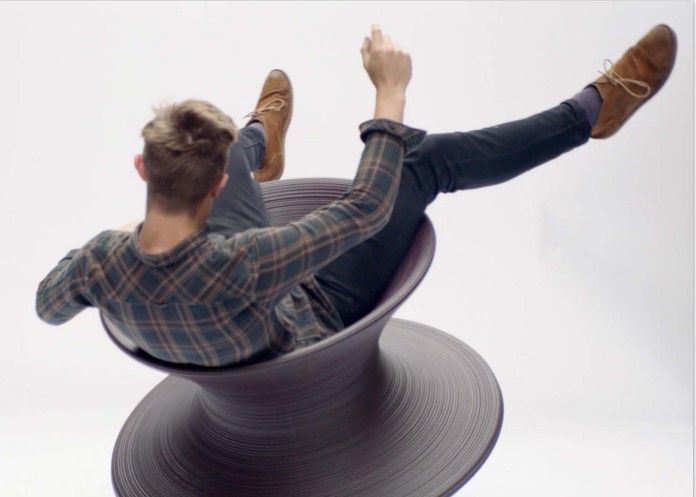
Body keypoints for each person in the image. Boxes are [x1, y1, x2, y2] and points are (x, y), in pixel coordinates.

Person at [36, 24, 677, 367]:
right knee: (424, 161)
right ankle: (589, 115)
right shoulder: (249, 260)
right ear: (218, 189)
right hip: (312, 322)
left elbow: (47, 308)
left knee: (233, 147)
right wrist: (389, 92)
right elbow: (365, 209)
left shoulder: (99, 262)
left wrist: (123, 244)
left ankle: (260, 138)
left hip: (220, 318)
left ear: (141, 167)